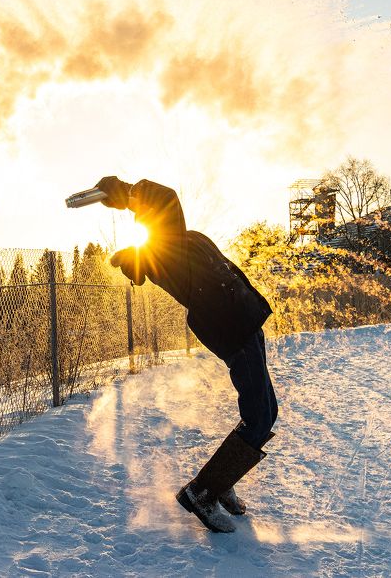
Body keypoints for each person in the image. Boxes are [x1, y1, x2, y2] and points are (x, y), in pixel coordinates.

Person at [95, 175, 278, 533]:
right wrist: (128, 193)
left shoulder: (178, 246)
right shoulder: (170, 252)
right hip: (234, 330)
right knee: (260, 418)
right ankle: (203, 493)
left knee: (266, 412)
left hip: (245, 324)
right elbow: (166, 198)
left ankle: (219, 483)